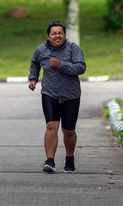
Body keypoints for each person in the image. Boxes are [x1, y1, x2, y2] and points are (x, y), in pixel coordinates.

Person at [28, 21, 86, 173]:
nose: (57, 36)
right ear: (49, 36)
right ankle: (50, 161)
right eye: (54, 33)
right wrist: (33, 78)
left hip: (71, 95)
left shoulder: (73, 48)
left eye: (60, 33)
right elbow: (35, 63)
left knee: (69, 131)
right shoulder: (41, 49)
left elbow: (81, 67)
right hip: (50, 93)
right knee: (51, 125)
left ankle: (69, 157)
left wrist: (60, 64)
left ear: (64, 35)